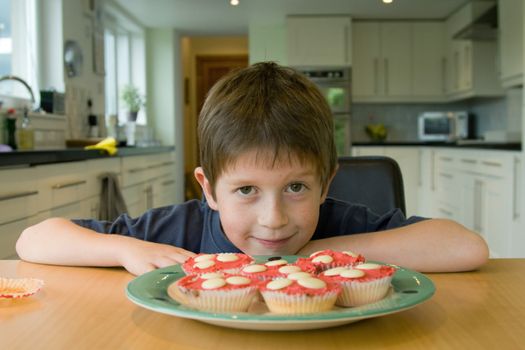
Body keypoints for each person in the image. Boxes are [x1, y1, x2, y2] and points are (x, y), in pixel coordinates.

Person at [16, 62, 489, 276]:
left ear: (326, 184)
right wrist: (123, 250)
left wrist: (326, 253)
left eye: (296, 187)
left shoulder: (337, 224)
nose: (274, 219)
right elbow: (32, 240)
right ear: (209, 188)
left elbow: (465, 247)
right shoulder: (179, 231)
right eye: (246, 190)